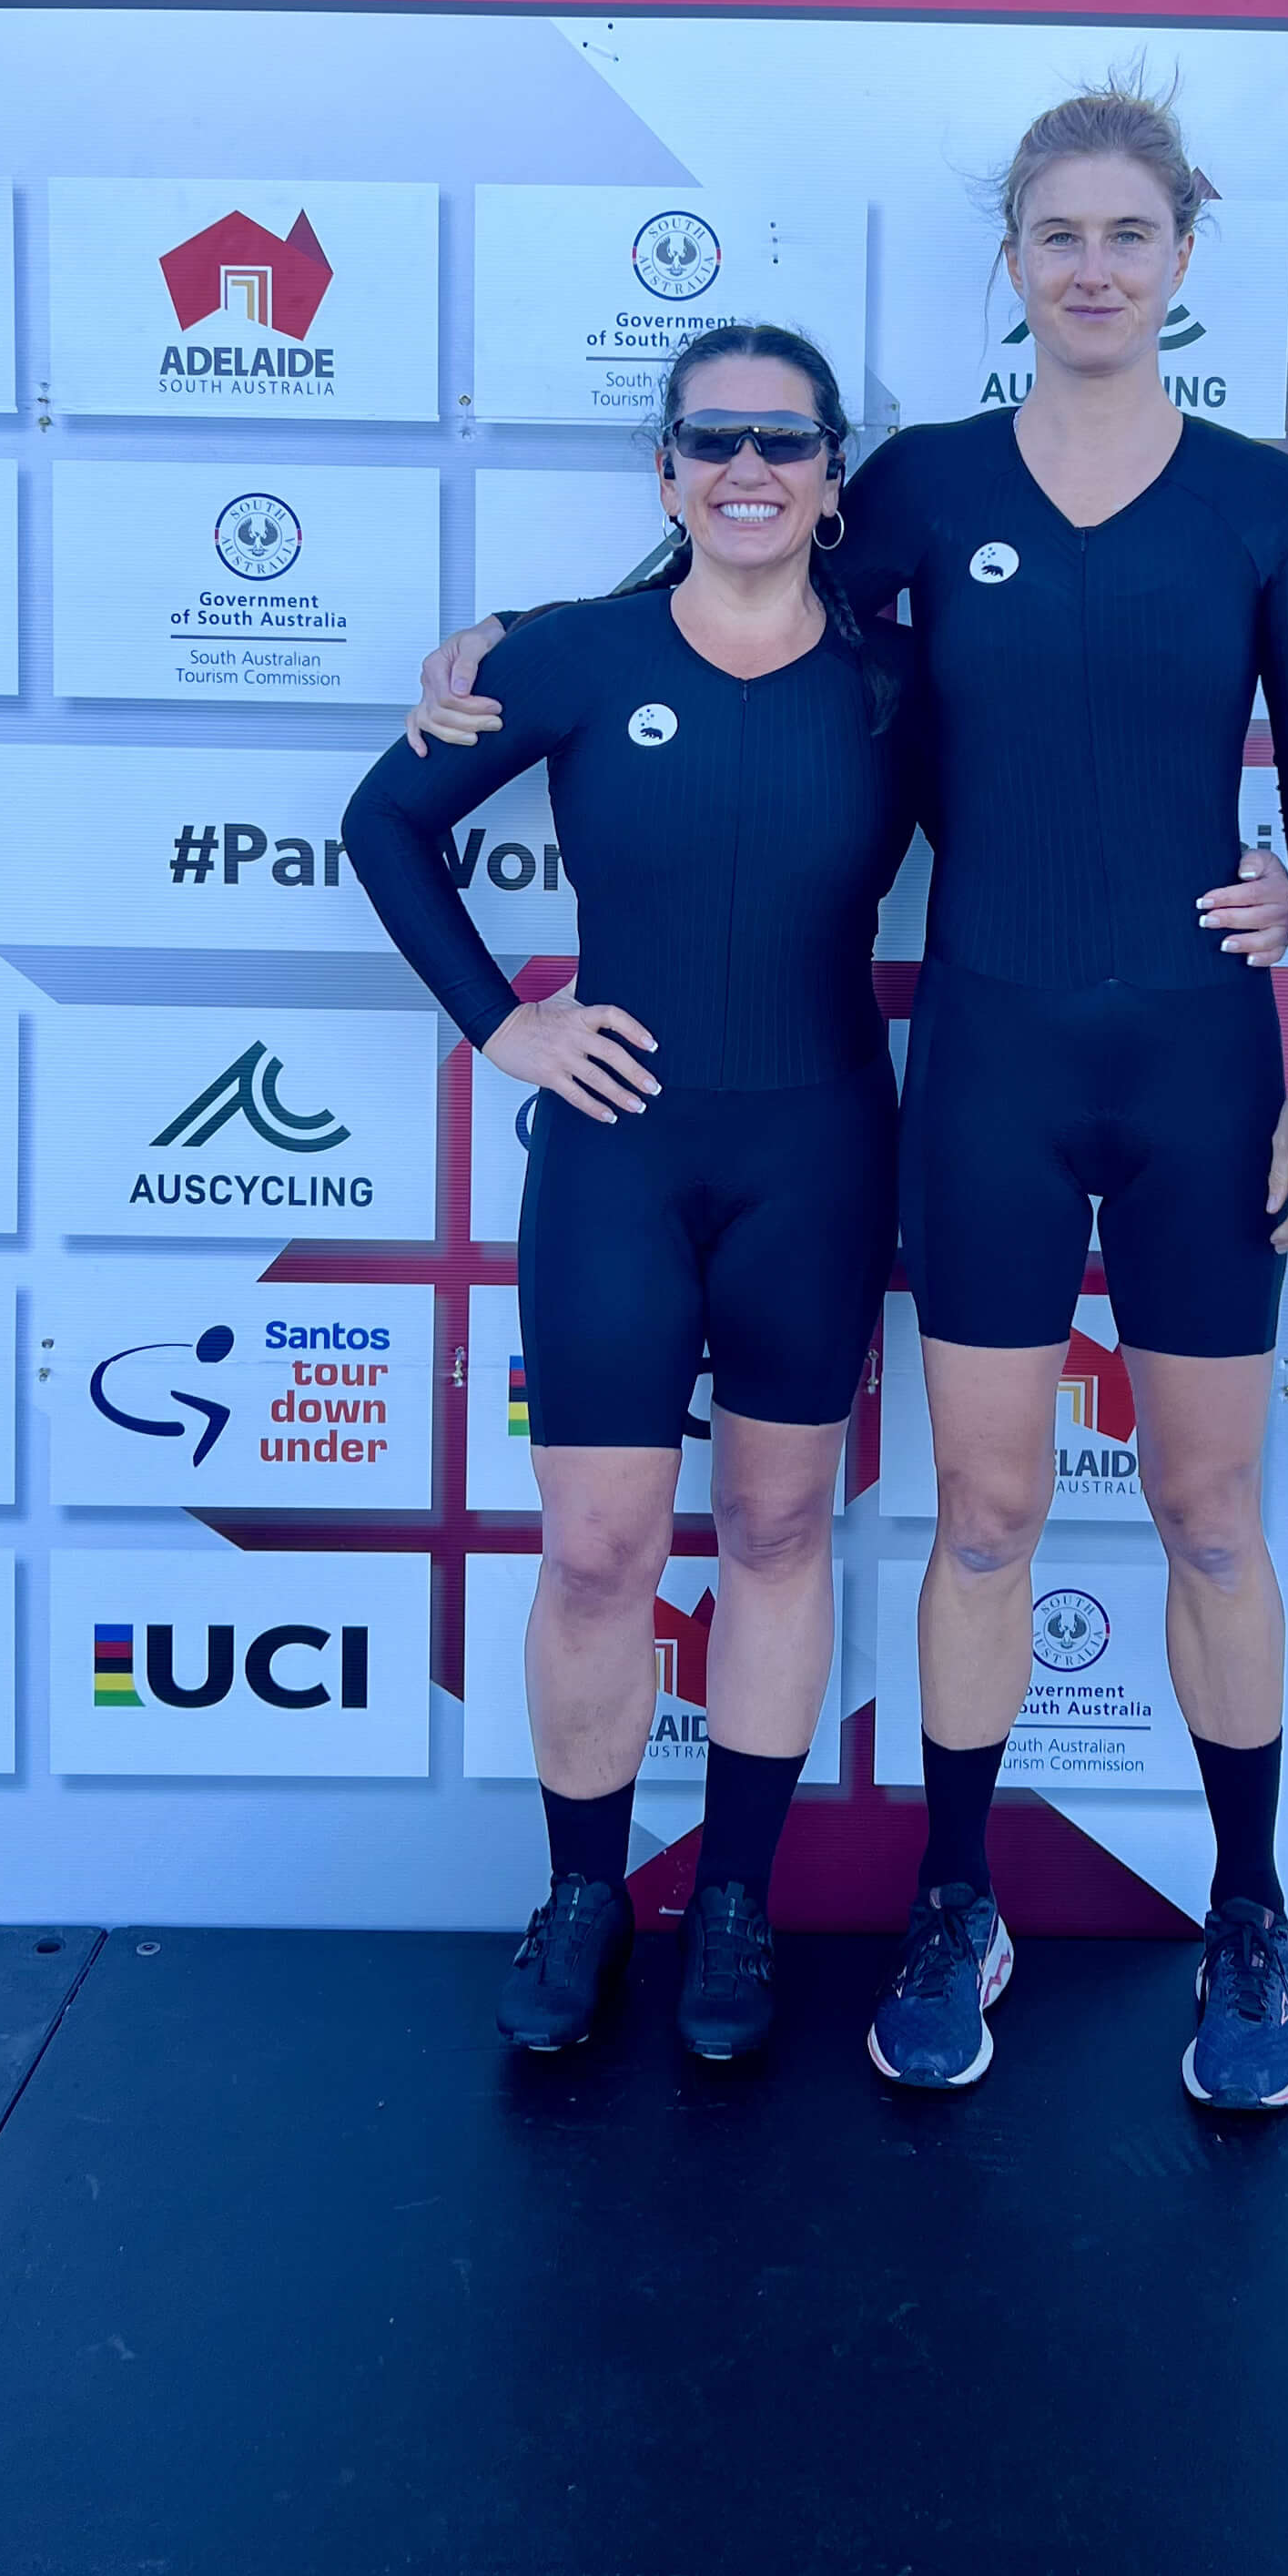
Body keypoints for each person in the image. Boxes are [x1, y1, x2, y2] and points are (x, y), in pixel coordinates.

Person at [411, 82, 1288, 2112]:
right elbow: (729, 581)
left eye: (1129, 234)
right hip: (987, 1070)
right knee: (990, 1513)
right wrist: (506, 648)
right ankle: (957, 1901)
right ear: (1013, 264)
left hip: (1207, 1066)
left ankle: (1251, 1913)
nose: (1094, 267)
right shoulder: (926, 487)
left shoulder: (1264, 502)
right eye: (1058, 236)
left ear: (1181, 257)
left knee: (1209, 1511)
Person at [344, 325, 915, 2065]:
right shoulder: (576, 655)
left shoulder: (902, 681)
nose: (748, 468)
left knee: (771, 1535)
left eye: (785, 442)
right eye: (712, 438)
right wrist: (501, 1024)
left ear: (831, 482)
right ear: (663, 471)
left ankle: (734, 1899)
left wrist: (1260, 885)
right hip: (618, 1154)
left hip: (815, 1153)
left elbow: (1066, 824)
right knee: (595, 1551)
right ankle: (584, 1891)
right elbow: (385, 828)